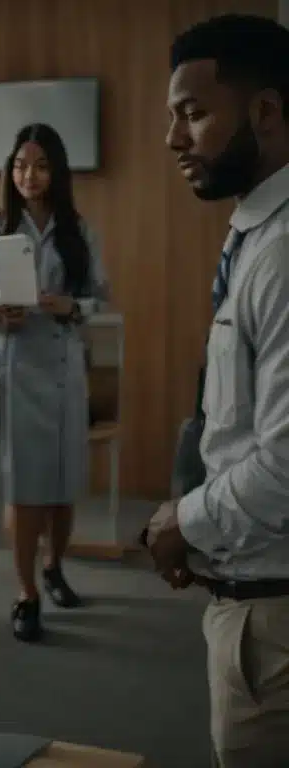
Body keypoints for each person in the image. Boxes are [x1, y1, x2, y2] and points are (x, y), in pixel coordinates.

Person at [147, 14, 289, 766]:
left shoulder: (283, 255)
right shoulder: (256, 236)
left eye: (194, 114)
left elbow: (286, 466)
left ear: (265, 111)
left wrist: (184, 522)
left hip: (276, 620)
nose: (174, 139)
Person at [0, 124, 110, 643]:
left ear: (56, 172)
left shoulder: (79, 229)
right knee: (26, 485)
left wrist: (70, 305)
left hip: (64, 365)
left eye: (41, 165)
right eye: (22, 165)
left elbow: (100, 297)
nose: (30, 175)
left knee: (64, 484)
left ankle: (55, 566)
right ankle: (26, 590)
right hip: (18, 367)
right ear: (11, 171)